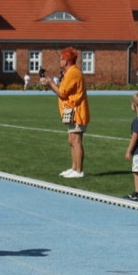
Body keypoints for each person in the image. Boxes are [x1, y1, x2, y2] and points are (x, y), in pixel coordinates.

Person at [40, 47, 89, 179]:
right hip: (70, 109)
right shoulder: (69, 73)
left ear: (67, 60)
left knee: (76, 140)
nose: (60, 61)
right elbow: (62, 90)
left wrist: (50, 83)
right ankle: (74, 167)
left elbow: (62, 93)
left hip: (76, 110)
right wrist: (50, 84)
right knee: (71, 140)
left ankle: (79, 170)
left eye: (62, 59)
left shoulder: (73, 73)